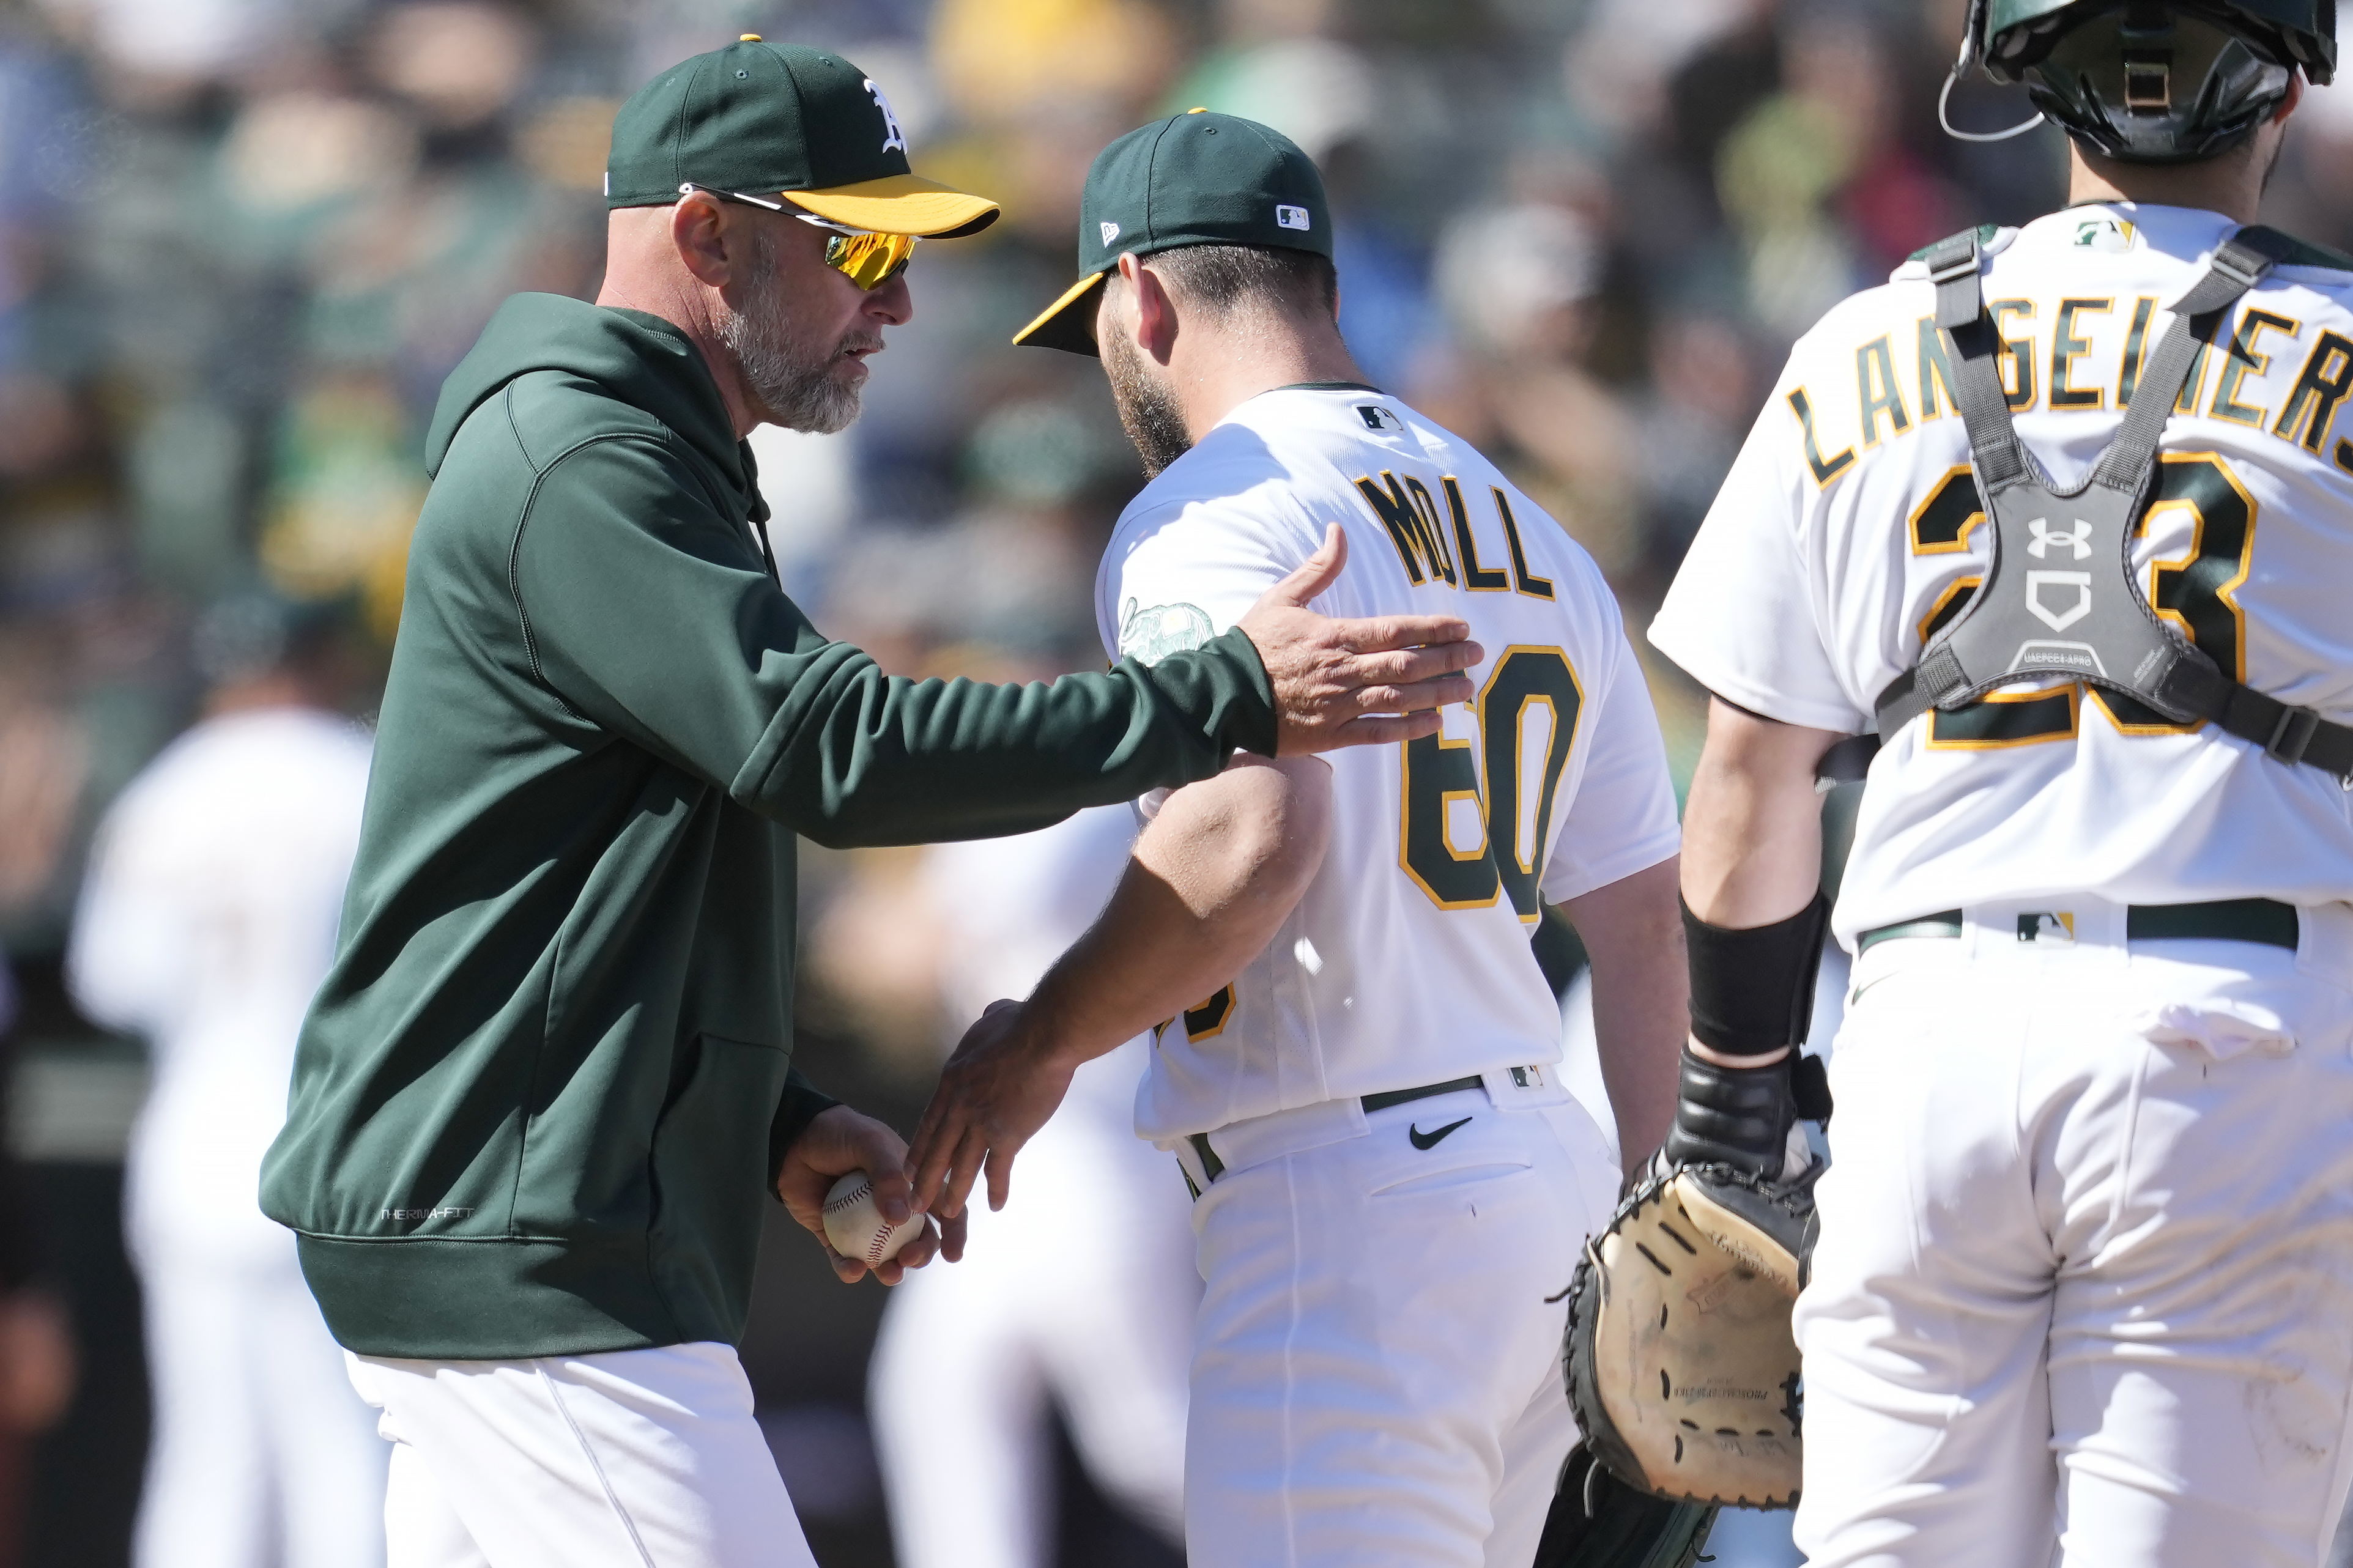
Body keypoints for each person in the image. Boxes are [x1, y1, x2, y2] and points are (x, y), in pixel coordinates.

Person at [255, 39, 1480, 1568]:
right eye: (858, 245)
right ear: (705, 235)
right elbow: (829, 751)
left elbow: (602, 882)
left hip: (507, 1214)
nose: (897, 299)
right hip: (524, 1253)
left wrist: (756, 1110)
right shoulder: (579, 451)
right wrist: (1217, 693)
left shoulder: (649, 453)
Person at [907, 111, 1689, 1567]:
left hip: (1350, 1195)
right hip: (1552, 1182)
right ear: (1320, 287)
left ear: (1138, 299)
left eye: (1103, 333)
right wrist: (1666, 1236)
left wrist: (1039, 1039)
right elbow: (1645, 918)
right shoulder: (1528, 519)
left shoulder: (1205, 508)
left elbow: (1241, 843)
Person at [1643, 0, 2353, 1558]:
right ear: (2288, 83)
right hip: (2231, 1039)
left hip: (1921, 1045)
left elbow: (1750, 779)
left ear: (2023, 73)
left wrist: (1722, 1122)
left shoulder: (1861, 340)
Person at [69, 593, 386, 1568]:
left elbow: (109, 984)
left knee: (208, 1459)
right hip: (333, 1154)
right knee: (341, 1452)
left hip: (194, 1156)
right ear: (320, 660)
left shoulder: (169, 789)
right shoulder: (359, 770)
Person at [868, 806, 1195, 1568]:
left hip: (1097, 1167)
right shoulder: (986, 777)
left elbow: (909, 947)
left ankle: (1376, 1538)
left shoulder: (1087, 796)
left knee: (1154, 1447)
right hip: (1001, 1181)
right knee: (935, 1396)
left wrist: (818, 937)